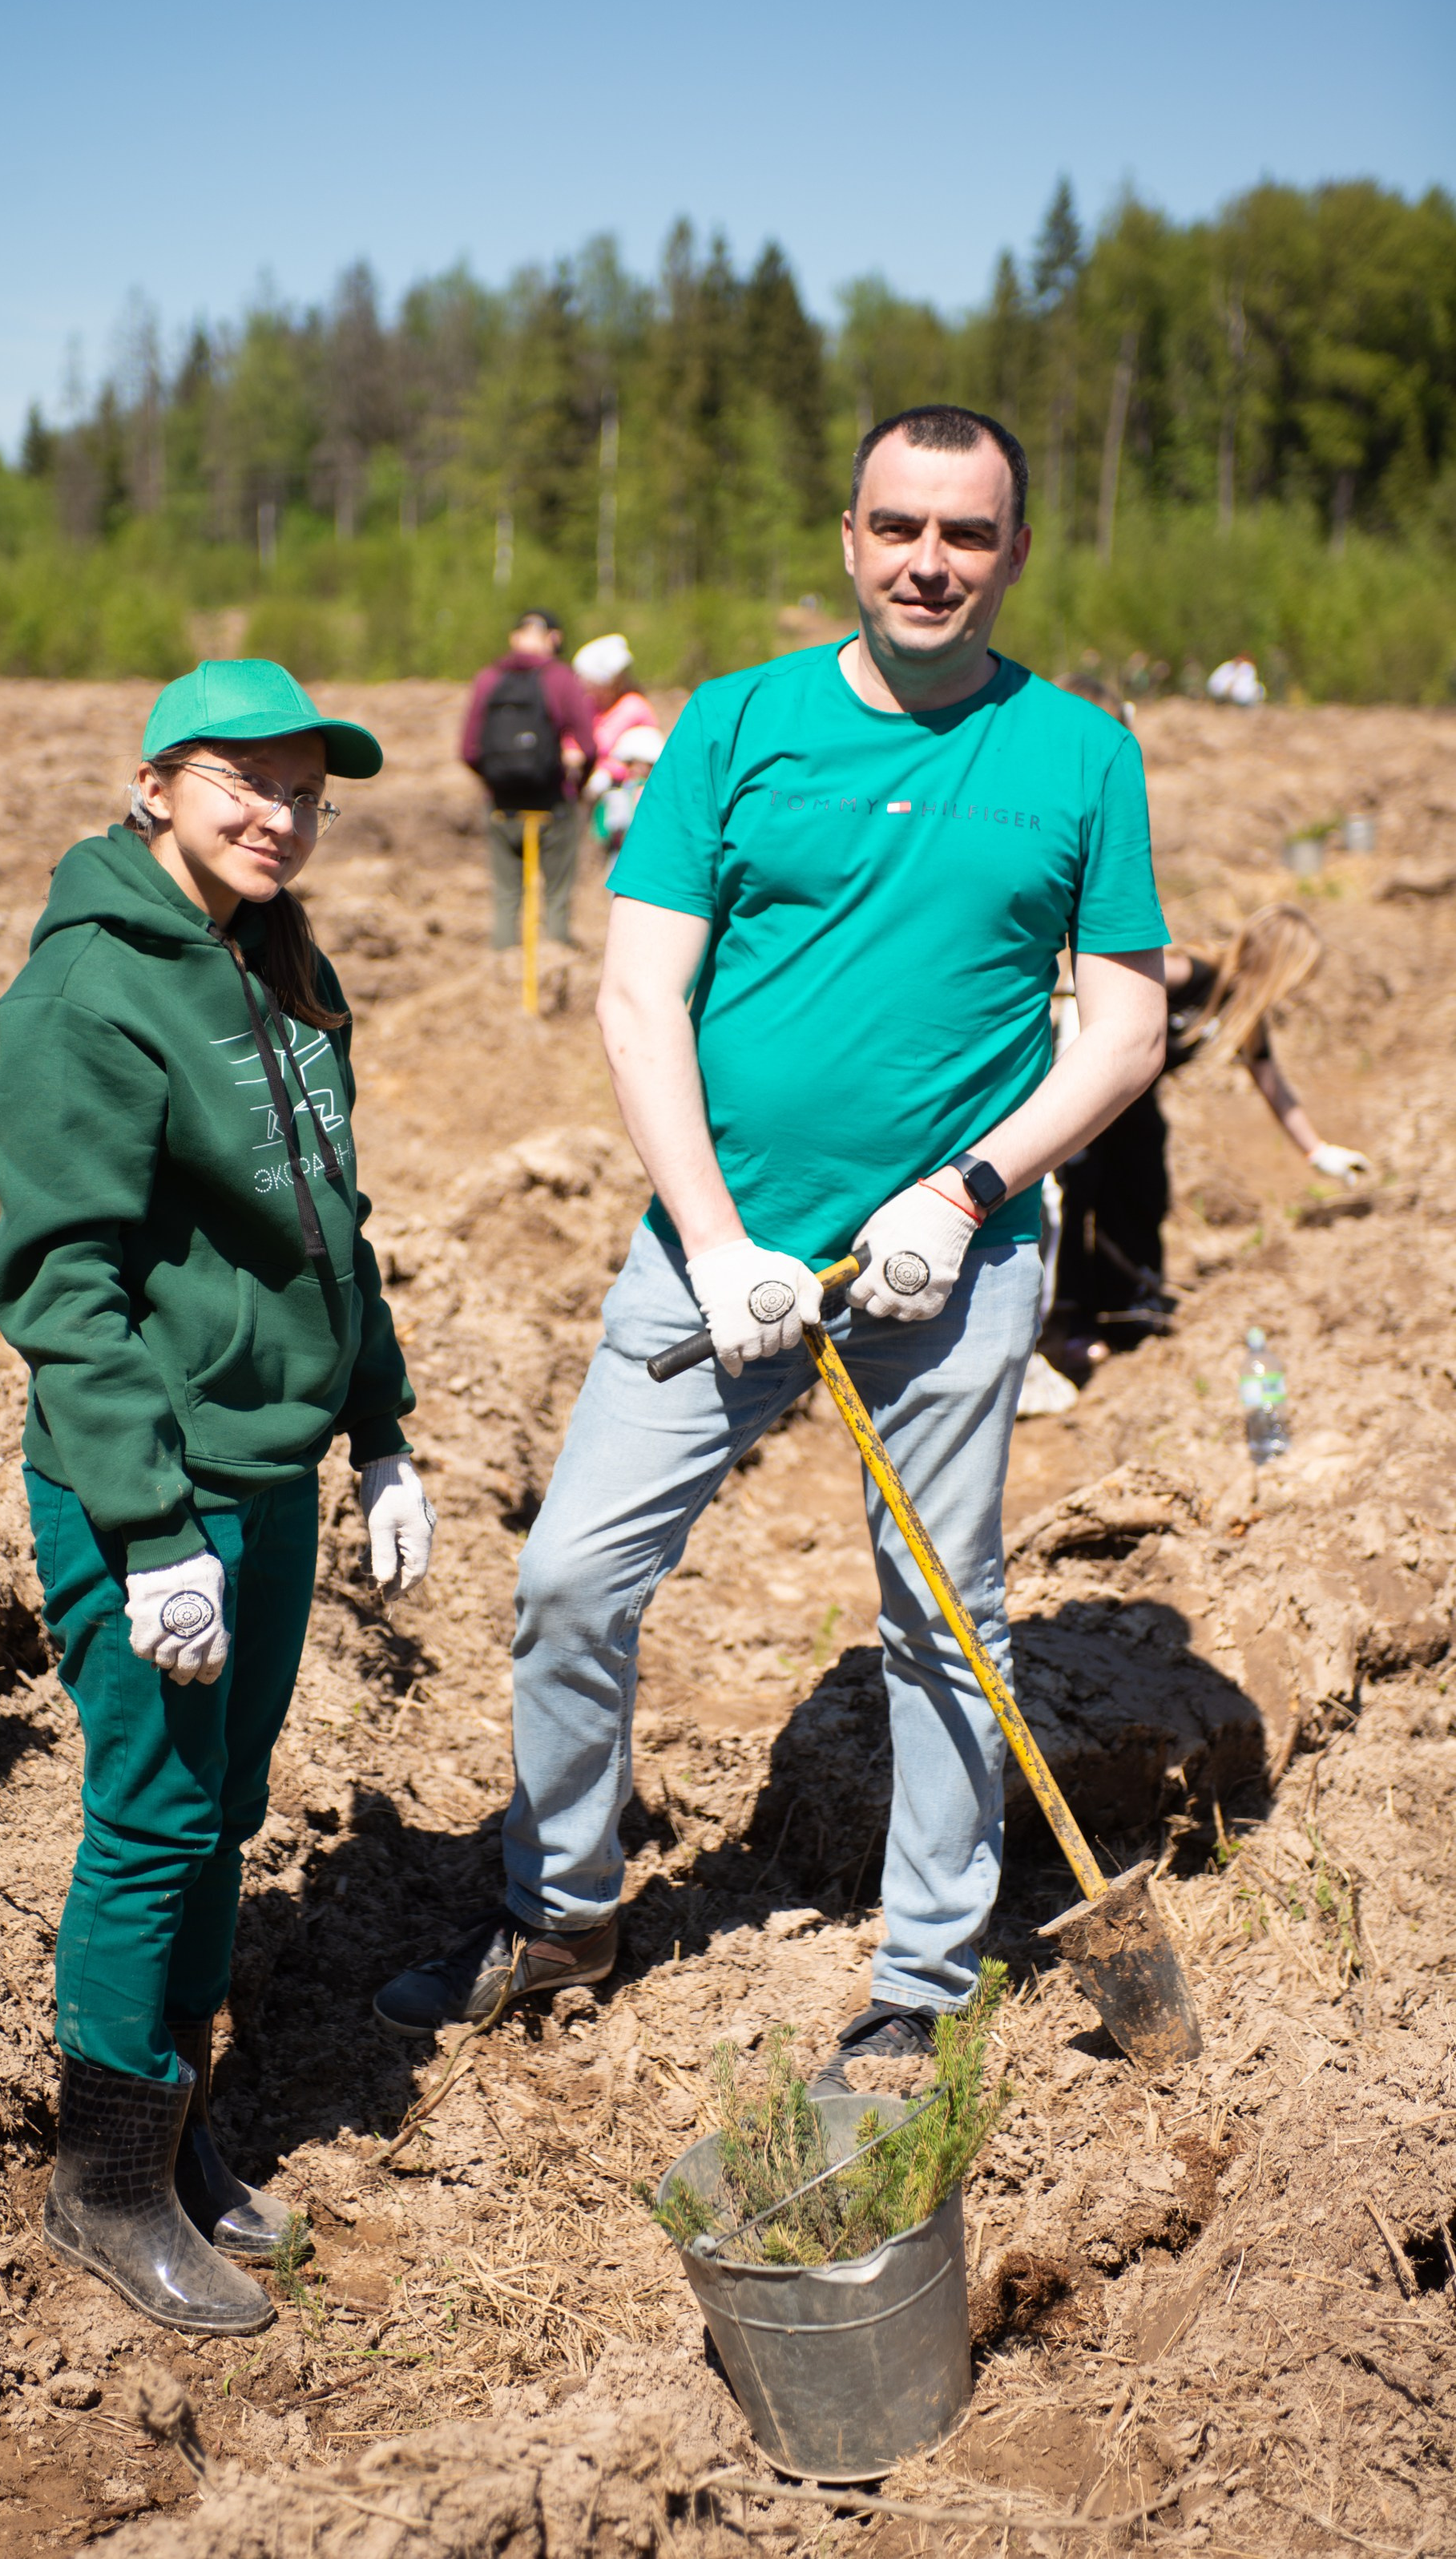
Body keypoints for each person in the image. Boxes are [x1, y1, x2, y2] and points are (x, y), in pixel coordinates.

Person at [374, 405, 1169, 2077]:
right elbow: (637, 990)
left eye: (964, 534)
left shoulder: (1080, 755)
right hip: (711, 1256)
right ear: (848, 537)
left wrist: (961, 1193)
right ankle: (559, 1907)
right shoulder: (735, 728)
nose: (929, 561)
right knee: (570, 1577)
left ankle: (929, 1978)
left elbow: (1117, 1031)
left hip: (951, 1269)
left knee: (942, 1622)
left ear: (1013, 551)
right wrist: (720, 1238)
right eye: (900, 527)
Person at [0, 658, 435, 2336]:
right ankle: (99, 2185)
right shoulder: (84, 999)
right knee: (153, 1821)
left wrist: (379, 1429)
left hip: (274, 1470)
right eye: (241, 780)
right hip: (153, 1492)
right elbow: (64, 1291)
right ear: (154, 783)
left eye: (306, 788)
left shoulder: (277, 960)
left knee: (220, 1817)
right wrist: (150, 1528)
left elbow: (335, 1227)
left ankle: (173, 2131)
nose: (279, 814)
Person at [1051, 902, 1372, 1345]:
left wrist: (1317, 1151)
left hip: (1131, 1103)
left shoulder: (1239, 1009)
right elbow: (1100, 976)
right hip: (1083, 1086)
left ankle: (1127, 1310)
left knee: (1143, 1195)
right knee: (1077, 1197)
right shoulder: (1195, 971)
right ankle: (1069, 1322)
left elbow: (1270, 1081)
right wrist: (1072, 1067)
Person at [460, 609, 595, 958]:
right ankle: (556, 970)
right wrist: (575, 789)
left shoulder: (488, 679)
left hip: (502, 805)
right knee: (556, 895)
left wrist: (495, 780)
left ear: (514, 637)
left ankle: (503, 974)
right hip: (553, 803)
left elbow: (468, 750)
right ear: (555, 639)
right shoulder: (561, 678)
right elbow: (589, 745)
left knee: (507, 895)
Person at [573, 633, 665, 862]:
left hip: (629, 798)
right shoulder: (590, 707)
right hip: (595, 804)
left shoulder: (634, 707)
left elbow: (648, 754)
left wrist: (609, 771)